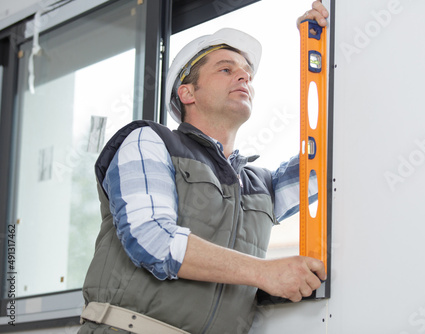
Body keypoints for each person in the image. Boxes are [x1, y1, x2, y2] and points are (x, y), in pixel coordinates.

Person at [79, 2, 329, 334]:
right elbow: (153, 238)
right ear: (186, 92)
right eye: (226, 69)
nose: (244, 76)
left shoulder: (260, 185)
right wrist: (265, 272)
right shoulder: (150, 142)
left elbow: (330, 159)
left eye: (246, 73)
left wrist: (324, 43)